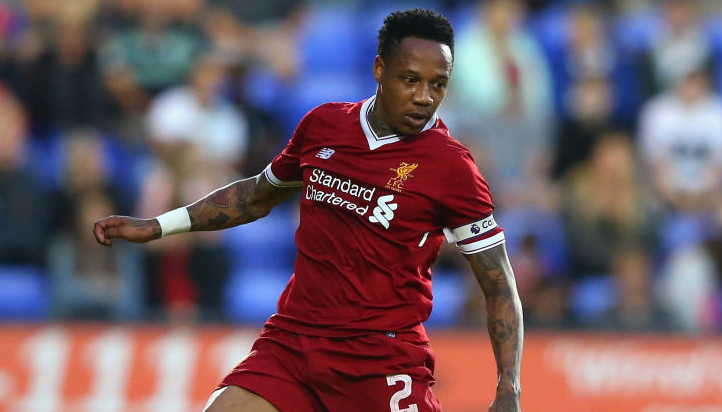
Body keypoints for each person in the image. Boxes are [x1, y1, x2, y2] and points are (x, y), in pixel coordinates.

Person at [93, 9, 523, 412]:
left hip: (379, 358)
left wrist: (509, 386)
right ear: (379, 69)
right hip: (294, 342)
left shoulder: (451, 167)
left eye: (438, 84)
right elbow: (255, 196)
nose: (424, 97)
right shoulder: (324, 126)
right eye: (410, 80)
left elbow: (499, 284)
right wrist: (158, 225)